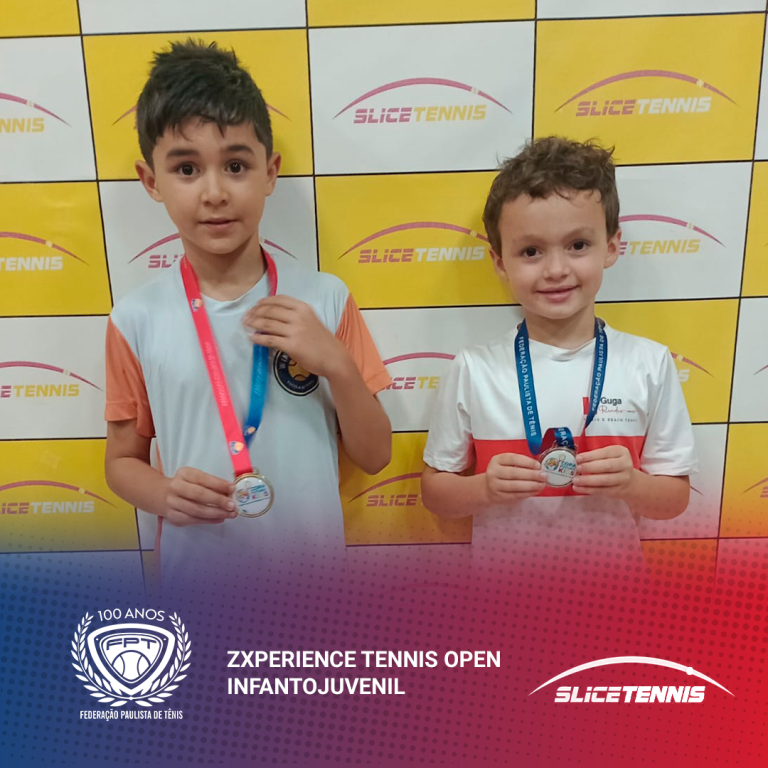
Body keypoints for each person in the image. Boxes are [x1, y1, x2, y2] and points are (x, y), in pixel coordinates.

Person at [104, 40, 391, 585]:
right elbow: (121, 462)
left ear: (270, 172)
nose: (214, 193)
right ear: (151, 181)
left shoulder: (326, 298)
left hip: (316, 590)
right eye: (187, 169)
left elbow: (376, 455)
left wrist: (336, 364)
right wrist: (163, 494)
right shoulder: (134, 319)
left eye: (235, 165)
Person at [421, 137, 697, 579]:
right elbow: (436, 494)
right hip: (504, 602)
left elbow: (674, 500)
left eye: (578, 245)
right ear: (500, 262)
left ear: (611, 247)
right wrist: (484, 488)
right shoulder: (474, 368)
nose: (555, 270)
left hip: (615, 600)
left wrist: (632, 484)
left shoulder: (650, 363)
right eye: (531, 251)